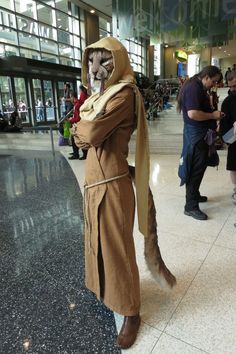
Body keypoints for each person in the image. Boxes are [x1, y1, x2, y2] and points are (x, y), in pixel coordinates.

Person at [73, 37, 151, 349]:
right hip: (94, 184)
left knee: (118, 248)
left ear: (116, 63)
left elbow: (88, 133)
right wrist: (83, 129)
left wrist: (81, 128)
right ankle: (108, 292)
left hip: (112, 185)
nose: (95, 69)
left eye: (103, 62)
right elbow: (85, 133)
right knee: (98, 244)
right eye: (91, 61)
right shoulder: (98, 99)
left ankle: (132, 312)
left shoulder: (124, 95)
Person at [177, 65, 224, 220]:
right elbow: (193, 114)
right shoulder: (193, 88)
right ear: (207, 77)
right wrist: (212, 116)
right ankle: (190, 206)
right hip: (195, 136)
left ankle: (194, 195)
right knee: (195, 169)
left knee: (200, 166)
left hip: (199, 134)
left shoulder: (197, 86)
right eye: (214, 81)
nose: (215, 85)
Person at [220, 70, 236, 204]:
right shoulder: (227, 102)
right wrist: (233, 134)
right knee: (234, 167)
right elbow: (224, 132)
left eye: (235, 86)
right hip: (235, 141)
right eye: (230, 86)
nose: (232, 89)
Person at [68, 87, 87, 160]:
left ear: (73, 97)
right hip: (81, 123)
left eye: (70, 97)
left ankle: (78, 154)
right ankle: (77, 153)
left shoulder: (77, 105)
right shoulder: (78, 104)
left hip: (78, 124)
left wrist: (70, 120)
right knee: (76, 138)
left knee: (77, 139)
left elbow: (77, 118)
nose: (70, 99)